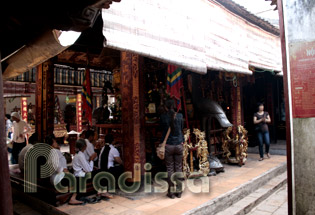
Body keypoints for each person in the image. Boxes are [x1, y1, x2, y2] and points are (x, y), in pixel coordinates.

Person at [160, 99, 184, 199]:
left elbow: (161, 129)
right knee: (178, 167)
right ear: (174, 106)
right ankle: (179, 191)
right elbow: (181, 128)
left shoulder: (163, 117)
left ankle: (171, 192)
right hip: (179, 144)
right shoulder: (180, 116)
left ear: (165, 107)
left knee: (170, 169)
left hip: (169, 145)